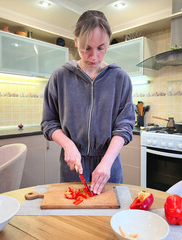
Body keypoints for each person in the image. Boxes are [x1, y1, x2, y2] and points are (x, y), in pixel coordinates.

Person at [41, 10, 135, 195]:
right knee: (74, 221)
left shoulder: (120, 78)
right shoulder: (60, 76)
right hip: (73, 166)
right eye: (86, 48)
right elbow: (49, 122)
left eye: (101, 48)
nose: (94, 56)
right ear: (76, 42)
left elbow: (124, 127)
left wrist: (107, 162)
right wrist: (68, 145)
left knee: (109, 220)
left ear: (109, 41)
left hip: (108, 164)